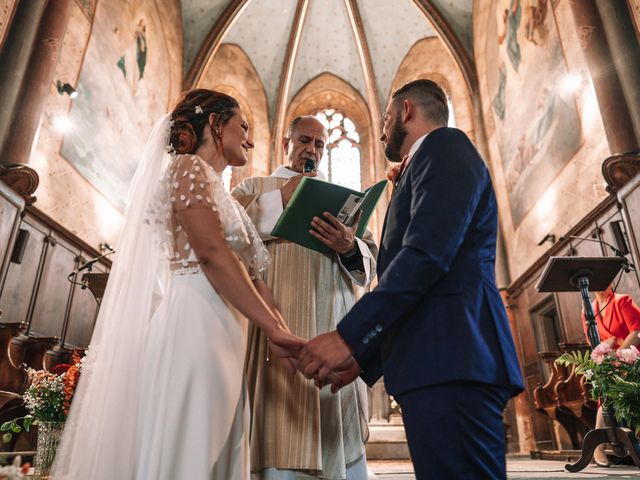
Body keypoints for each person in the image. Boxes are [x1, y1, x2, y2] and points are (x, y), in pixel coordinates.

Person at [52, 89, 304, 479]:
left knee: (219, 446)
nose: (250, 139)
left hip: (230, 334)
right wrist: (271, 328)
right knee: (190, 446)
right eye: (243, 126)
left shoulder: (229, 198)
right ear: (216, 125)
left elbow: (253, 276)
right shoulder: (187, 169)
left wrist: (283, 333)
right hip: (194, 326)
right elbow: (211, 254)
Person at [298, 79, 525, 479]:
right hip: (437, 361)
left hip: (453, 359)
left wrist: (348, 337)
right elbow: (423, 282)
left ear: (406, 111)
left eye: (385, 118)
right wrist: (363, 360)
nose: (384, 129)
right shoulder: (427, 161)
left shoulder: (446, 147)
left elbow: (426, 257)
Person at [232, 116, 378, 480]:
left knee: (330, 413)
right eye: (304, 141)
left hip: (331, 324)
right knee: (279, 416)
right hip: (275, 323)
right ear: (286, 144)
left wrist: (348, 245)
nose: (311, 150)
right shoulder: (257, 185)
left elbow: (369, 265)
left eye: (319, 144)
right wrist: (279, 198)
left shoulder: (342, 199)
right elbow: (226, 230)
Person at [580, 284, 640, 466]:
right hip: (610, 363)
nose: (602, 285)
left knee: (612, 386)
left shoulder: (622, 301)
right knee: (605, 390)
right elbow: (592, 340)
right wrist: (606, 349)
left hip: (633, 356)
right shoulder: (588, 311)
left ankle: (616, 444)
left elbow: (637, 331)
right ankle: (600, 447)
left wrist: (617, 354)